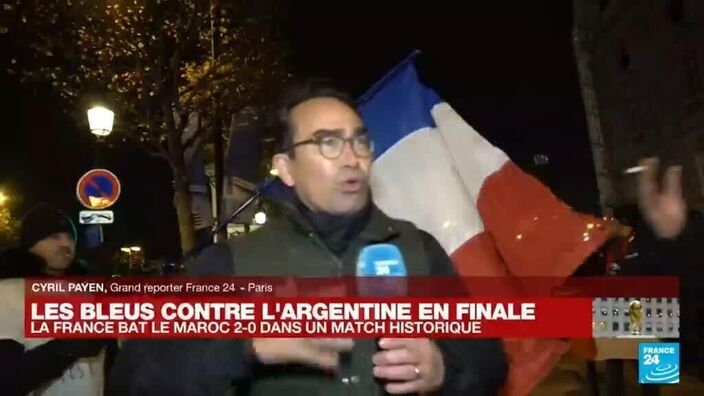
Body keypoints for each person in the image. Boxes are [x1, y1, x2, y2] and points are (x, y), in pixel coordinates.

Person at [108, 82, 509, 395]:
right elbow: (135, 380)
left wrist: (445, 370)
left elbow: (490, 361)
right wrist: (246, 345)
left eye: (360, 141)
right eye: (328, 142)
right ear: (286, 168)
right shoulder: (230, 263)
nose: (352, 158)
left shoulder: (419, 249)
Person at [0, 203, 115, 396]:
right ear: (30, 244)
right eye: (54, 237)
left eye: (70, 238)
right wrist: (64, 350)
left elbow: (110, 364)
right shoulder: (7, 293)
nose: (65, 244)